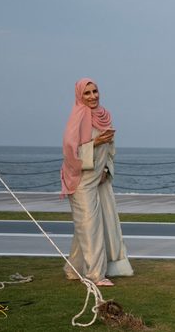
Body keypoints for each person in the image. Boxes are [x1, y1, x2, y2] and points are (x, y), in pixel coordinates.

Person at [61, 78, 133, 287]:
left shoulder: (104, 116)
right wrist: (96, 142)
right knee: (90, 227)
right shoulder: (77, 117)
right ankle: (95, 275)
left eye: (95, 91)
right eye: (87, 93)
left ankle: (73, 269)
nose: (93, 96)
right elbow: (69, 152)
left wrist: (107, 169)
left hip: (99, 180)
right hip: (81, 182)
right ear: (79, 96)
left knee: (92, 226)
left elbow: (110, 151)